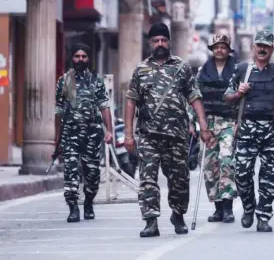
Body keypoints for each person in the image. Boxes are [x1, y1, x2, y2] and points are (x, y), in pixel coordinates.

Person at [124, 23, 214, 237]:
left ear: (169, 42)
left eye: (164, 40)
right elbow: (131, 102)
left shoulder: (181, 67)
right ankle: (150, 221)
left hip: (177, 136)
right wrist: (128, 134)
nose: (160, 44)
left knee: (179, 179)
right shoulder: (140, 69)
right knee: (147, 179)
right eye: (156, 41)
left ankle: (178, 214)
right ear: (150, 43)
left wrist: (203, 125)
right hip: (148, 135)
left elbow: (194, 96)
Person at [224, 29, 274, 233]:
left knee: (270, 175)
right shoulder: (241, 70)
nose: (263, 49)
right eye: (259, 45)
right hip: (247, 129)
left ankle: (264, 216)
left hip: (272, 131)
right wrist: (238, 92)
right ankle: (249, 207)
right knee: (242, 173)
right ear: (254, 47)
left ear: (272, 49)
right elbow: (227, 97)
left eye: (267, 46)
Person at [55, 43, 113, 223]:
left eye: (84, 56)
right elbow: (58, 110)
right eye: (77, 56)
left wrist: (109, 130)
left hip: (92, 133)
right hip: (70, 133)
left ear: (88, 59)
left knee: (93, 174)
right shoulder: (64, 81)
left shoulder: (96, 81)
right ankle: (73, 208)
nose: (80, 59)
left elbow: (104, 107)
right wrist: (57, 137)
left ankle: (88, 202)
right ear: (72, 58)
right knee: (70, 172)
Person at [193, 33, 239, 223]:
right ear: (212, 49)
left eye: (223, 47)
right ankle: (218, 207)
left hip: (229, 122)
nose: (220, 50)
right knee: (210, 166)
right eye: (217, 47)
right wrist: (200, 125)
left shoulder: (237, 71)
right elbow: (195, 98)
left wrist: (239, 123)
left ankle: (228, 207)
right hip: (208, 122)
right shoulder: (202, 72)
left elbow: (242, 100)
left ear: (228, 49)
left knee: (226, 161)